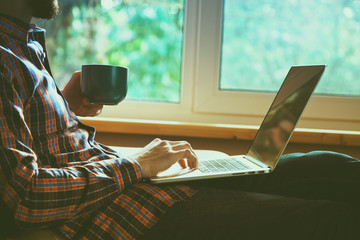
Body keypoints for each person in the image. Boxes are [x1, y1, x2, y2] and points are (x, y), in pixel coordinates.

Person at [0, 1, 359, 240]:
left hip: (127, 185)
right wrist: (136, 165)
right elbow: (28, 197)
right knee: (329, 219)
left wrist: (64, 105)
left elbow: (31, 138)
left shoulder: (23, 41)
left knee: (331, 167)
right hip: (115, 212)